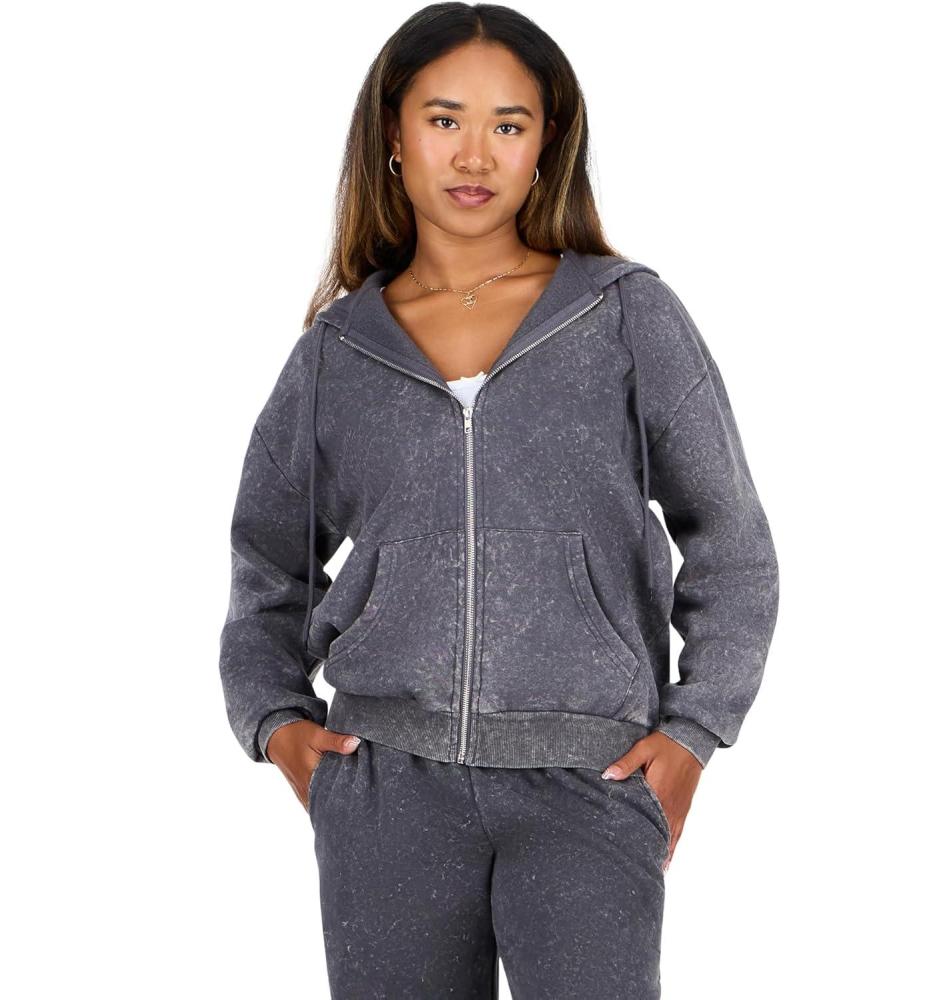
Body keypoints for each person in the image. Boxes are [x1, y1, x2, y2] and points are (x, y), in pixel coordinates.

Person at [218, 5, 779, 998]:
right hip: (386, 788)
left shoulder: (625, 316)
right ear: (393, 135)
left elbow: (731, 545)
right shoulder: (337, 353)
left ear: (545, 144)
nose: (474, 154)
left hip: (590, 779)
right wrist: (276, 722)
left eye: (508, 124)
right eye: (444, 119)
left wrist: (695, 732)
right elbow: (268, 562)